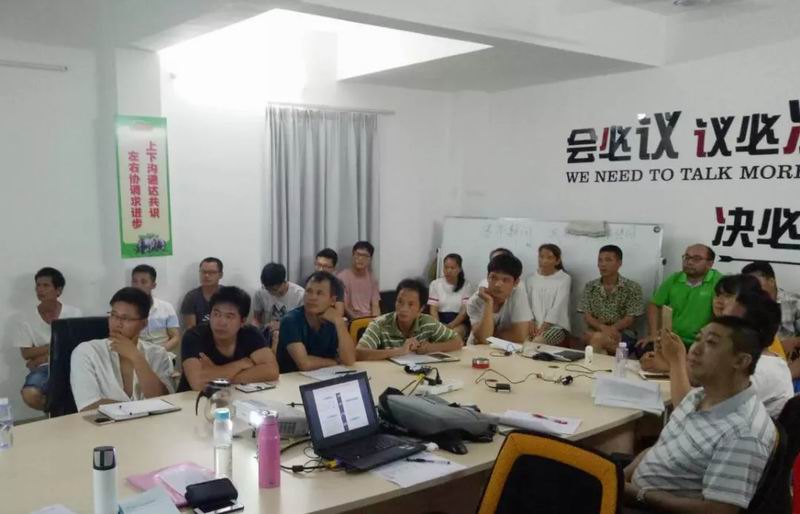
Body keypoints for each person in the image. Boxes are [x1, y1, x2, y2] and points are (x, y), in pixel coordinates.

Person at [623, 316, 777, 513]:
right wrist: (618, 478)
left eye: (711, 343)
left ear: (740, 361)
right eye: (698, 339)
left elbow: (719, 510)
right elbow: (662, 447)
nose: (695, 349)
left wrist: (639, 494)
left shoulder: (744, 432)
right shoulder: (698, 395)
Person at [657, 275, 793, 418]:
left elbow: (690, 415)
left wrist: (676, 361)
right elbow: (700, 381)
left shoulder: (759, 370)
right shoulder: (741, 357)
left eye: (730, 322)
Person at [70, 287, 174, 412]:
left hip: (152, 424)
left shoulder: (158, 354)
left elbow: (163, 402)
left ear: (143, 324)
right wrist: (142, 408)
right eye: (113, 315)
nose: (117, 323)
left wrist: (137, 358)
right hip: (104, 424)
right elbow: (88, 406)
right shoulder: (86, 352)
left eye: (126, 318)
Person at [639, 244, 722, 372]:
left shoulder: (719, 282)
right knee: (643, 350)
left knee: (704, 363)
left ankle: (673, 369)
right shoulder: (675, 279)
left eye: (696, 259)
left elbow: (723, 315)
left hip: (700, 343)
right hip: (673, 339)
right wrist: (654, 334)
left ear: (710, 264)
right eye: (687, 257)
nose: (689, 262)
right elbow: (654, 305)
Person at [178, 286, 279, 391]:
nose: (221, 322)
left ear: (242, 321)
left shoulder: (251, 334)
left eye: (229, 316)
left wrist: (215, 374)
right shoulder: (194, 336)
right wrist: (240, 364)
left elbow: (272, 371)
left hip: (234, 396)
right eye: (216, 314)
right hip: (192, 398)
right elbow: (198, 383)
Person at [12, 267, 82, 411]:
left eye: (46, 285)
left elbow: (78, 345)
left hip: (72, 363)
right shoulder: (24, 318)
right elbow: (26, 353)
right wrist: (54, 348)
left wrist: (43, 356)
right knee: (30, 394)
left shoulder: (74, 313)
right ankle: (57, 411)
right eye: (38, 285)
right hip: (44, 368)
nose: (40, 290)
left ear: (58, 290)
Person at [357, 279, 463, 360]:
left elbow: (458, 342)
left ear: (421, 309)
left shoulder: (427, 322)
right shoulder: (380, 324)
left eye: (410, 304)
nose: (403, 309)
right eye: (400, 302)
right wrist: (399, 351)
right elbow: (358, 353)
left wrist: (431, 348)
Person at [276, 271, 356, 372]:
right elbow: (305, 364)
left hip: (325, 376)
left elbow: (349, 360)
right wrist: (336, 362)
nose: (312, 297)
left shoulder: (333, 320)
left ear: (332, 300)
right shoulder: (290, 321)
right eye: (309, 291)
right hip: (293, 379)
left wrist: (339, 322)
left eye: (319, 293)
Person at [579, 245, 644, 355]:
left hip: (623, 335)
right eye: (600, 260)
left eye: (608, 260)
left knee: (595, 339)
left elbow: (629, 319)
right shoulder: (590, 286)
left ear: (619, 263)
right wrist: (603, 328)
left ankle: (594, 362)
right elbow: (587, 316)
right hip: (596, 330)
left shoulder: (632, 287)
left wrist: (612, 329)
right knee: (598, 341)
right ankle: (607, 359)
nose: (603, 264)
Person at [466, 254, 531, 345]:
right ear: (487, 277)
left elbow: (520, 336)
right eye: (493, 277)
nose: (498, 284)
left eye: (505, 280)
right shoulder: (476, 301)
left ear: (516, 282)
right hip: (476, 348)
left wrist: (490, 334)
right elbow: (483, 340)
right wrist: (489, 302)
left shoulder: (518, 294)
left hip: (507, 348)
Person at [742, 261, 799, 361]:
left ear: (771, 281)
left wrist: (795, 342)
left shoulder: (791, 302)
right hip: (755, 358)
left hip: (786, 360)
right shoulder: (746, 303)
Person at [525, 244, 572, 345]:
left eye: (549, 258)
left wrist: (542, 328)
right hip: (533, 324)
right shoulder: (531, 279)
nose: (544, 261)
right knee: (522, 341)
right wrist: (531, 321)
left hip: (556, 326)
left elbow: (557, 307)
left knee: (537, 342)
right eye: (541, 257)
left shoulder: (564, 278)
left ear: (557, 261)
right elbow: (527, 304)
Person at [130, 264, 180, 353]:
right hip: (137, 354)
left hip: (163, 353)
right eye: (135, 281)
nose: (138, 286)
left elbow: (175, 338)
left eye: (143, 282)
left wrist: (158, 352)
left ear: (153, 285)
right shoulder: (125, 310)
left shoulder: (166, 307)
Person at [252, 263, 304, 347]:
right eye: (268, 289)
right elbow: (256, 318)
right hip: (267, 336)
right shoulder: (260, 293)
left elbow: (303, 324)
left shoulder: (300, 295)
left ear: (283, 282)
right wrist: (254, 331)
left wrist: (282, 325)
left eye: (274, 289)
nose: (271, 293)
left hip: (291, 337)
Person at [428, 253, 474, 338]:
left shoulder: (466, 285)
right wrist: (439, 326)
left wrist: (451, 325)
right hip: (439, 321)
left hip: (458, 322)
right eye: (446, 267)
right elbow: (433, 310)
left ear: (459, 269)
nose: (449, 271)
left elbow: (464, 311)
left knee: (452, 335)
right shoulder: (435, 284)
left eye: (452, 268)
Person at [337, 241, 381, 319]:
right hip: (353, 320)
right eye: (358, 254)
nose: (360, 258)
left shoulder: (372, 278)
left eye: (365, 256)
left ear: (370, 259)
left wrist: (376, 322)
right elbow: (345, 307)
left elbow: (375, 305)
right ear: (353, 255)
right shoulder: (341, 277)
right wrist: (359, 321)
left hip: (370, 319)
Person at [180, 257, 223, 329]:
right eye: (203, 272)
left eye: (211, 272)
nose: (206, 275)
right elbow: (191, 329)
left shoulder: (230, 295)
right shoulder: (191, 297)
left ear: (220, 275)